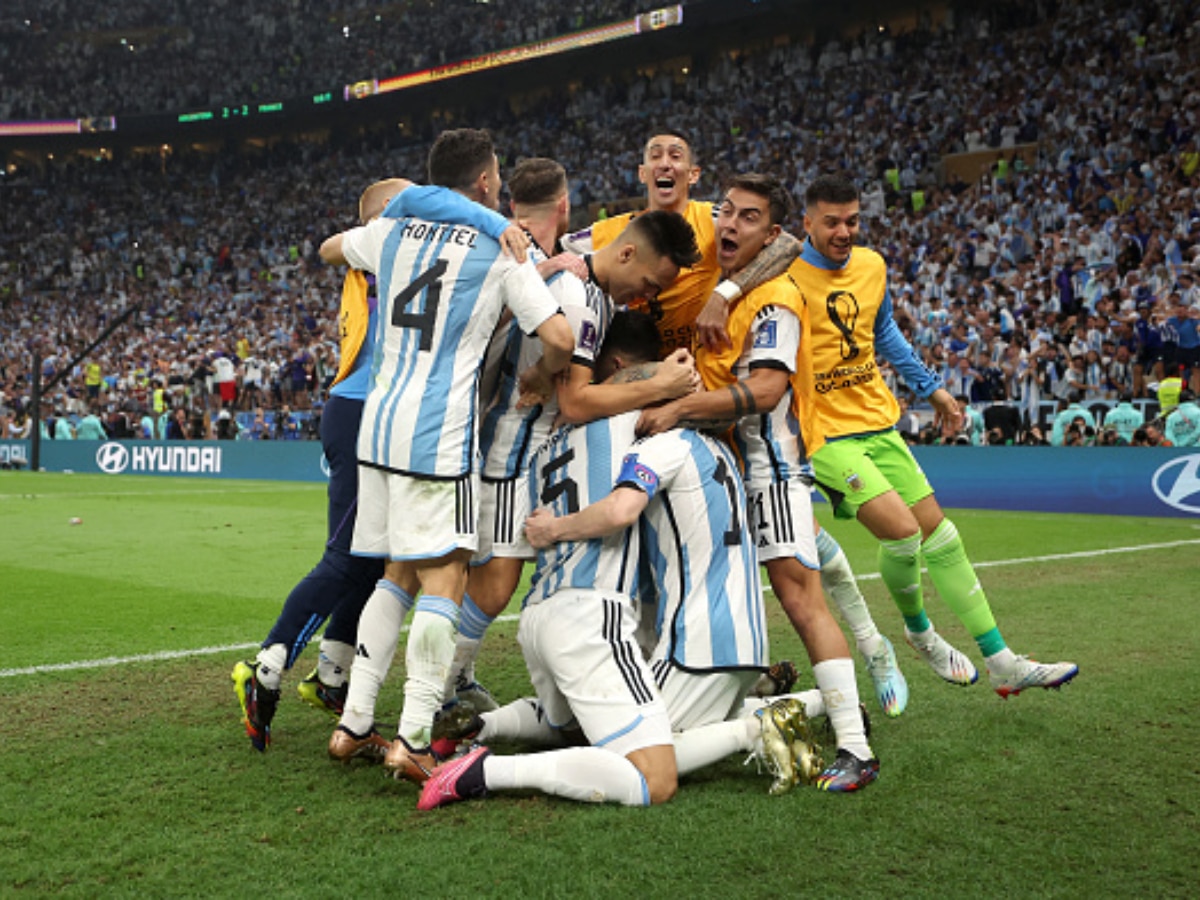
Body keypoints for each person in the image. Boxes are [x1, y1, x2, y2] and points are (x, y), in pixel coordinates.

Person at [417, 312, 821, 809]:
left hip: (537, 617)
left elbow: (528, 529)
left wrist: (549, 372)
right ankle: (483, 771)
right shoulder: (636, 424)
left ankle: (476, 728)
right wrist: (676, 375)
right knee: (651, 773)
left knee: (574, 729)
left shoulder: (542, 450)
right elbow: (700, 413)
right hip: (592, 616)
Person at [232, 175, 532, 752]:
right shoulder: (391, 247)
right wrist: (494, 226)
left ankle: (334, 677)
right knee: (348, 560)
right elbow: (424, 207)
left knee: (378, 563)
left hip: (381, 417)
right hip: (373, 415)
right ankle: (266, 668)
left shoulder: (389, 252)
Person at [319, 128, 574, 778]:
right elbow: (560, 334)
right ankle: (410, 739)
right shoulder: (501, 246)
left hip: (376, 430)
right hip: (439, 436)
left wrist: (396, 215)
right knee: (447, 578)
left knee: (395, 577)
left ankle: (353, 726)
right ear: (487, 182)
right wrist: (543, 374)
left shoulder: (393, 232)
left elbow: (328, 249)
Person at [784, 174, 1077, 699]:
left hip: (877, 419)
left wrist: (933, 390)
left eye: (852, 220)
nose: (844, 231)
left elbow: (884, 332)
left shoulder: (872, 266)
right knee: (901, 532)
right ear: (807, 222)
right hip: (824, 433)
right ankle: (919, 633)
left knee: (941, 535)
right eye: (831, 222)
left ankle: (1002, 661)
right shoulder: (784, 273)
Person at [424, 158, 702, 708]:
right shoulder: (580, 300)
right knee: (495, 581)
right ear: (626, 253)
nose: (646, 297)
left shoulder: (585, 286)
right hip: (509, 446)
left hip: (523, 446)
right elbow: (575, 401)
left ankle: (448, 679)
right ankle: (439, 690)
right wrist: (660, 385)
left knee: (486, 576)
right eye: (648, 282)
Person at [636, 174, 879, 790]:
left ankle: (855, 744)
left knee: (800, 597)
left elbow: (768, 390)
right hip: (734, 475)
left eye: (748, 218)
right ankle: (794, 694)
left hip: (772, 472)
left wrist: (680, 408)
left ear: (770, 234)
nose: (730, 226)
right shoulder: (730, 293)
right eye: (726, 214)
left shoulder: (775, 300)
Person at [564, 131, 795, 357]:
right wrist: (545, 260)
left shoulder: (714, 219)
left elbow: (788, 245)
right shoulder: (609, 232)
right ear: (642, 174)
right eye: (655, 156)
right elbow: (547, 247)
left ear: (693, 174)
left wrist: (723, 294)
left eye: (675, 156)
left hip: (693, 367)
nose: (665, 164)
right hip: (628, 369)